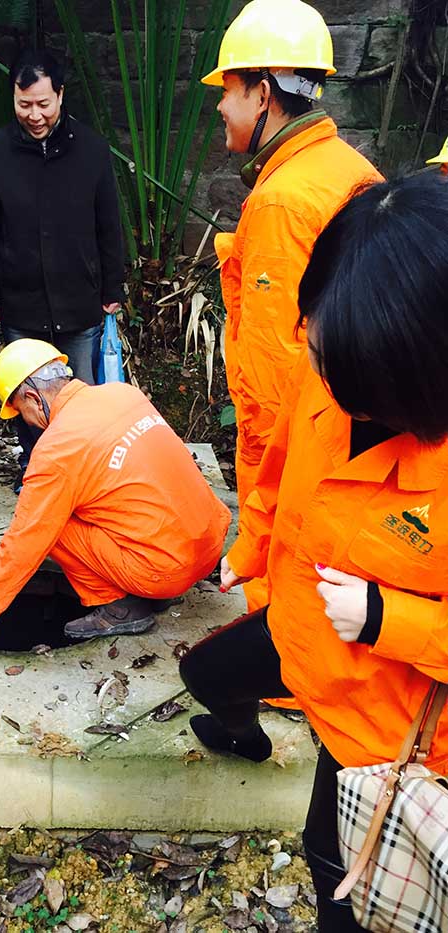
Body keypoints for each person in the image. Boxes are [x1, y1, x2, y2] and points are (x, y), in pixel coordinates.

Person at [180, 173, 448, 931]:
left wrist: (386, 618)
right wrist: (253, 544)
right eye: (318, 344)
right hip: (303, 636)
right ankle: (244, 731)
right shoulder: (328, 365)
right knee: (206, 674)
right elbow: (276, 469)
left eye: (337, 362)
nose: (319, 371)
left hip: (384, 717)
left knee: (343, 877)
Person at [203, 0, 382, 611]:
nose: (220, 107)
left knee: (285, 587)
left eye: (228, 90)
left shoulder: (282, 200)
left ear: (263, 93)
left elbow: (273, 374)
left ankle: (276, 652)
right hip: (353, 428)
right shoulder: (350, 168)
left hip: (299, 444)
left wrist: (264, 485)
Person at [0, 339, 231, 653]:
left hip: (167, 570)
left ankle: (121, 608)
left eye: (20, 412)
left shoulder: (57, 450)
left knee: (53, 524)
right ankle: (156, 591)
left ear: (33, 398)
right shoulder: (123, 393)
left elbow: (25, 540)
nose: (27, 421)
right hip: (209, 545)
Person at [0, 49, 125, 493]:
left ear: (60, 95)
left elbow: (108, 224)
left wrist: (112, 287)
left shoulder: (92, 149)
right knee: (29, 393)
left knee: (81, 392)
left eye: (43, 104)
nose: (34, 115)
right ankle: (37, 471)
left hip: (80, 295)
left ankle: (84, 476)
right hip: (20, 298)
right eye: (24, 105)